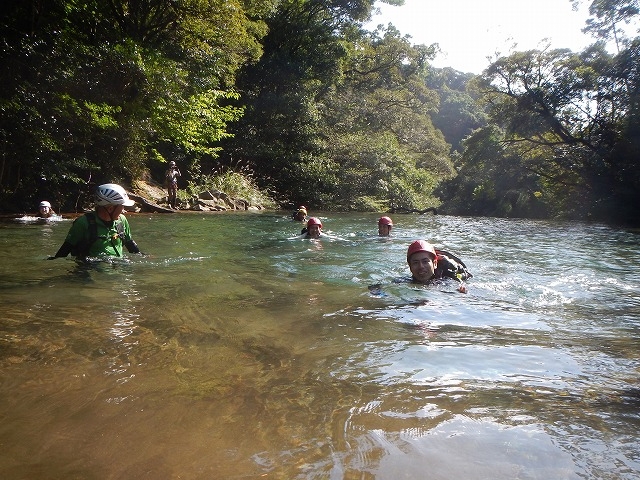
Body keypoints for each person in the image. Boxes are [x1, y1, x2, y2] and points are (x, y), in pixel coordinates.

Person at [50, 183, 142, 261]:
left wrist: (143, 256)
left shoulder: (122, 220)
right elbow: (65, 250)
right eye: (122, 207)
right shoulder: (83, 223)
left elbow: (129, 243)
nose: (123, 210)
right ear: (110, 209)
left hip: (117, 267)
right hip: (89, 270)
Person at [406, 240, 471, 293]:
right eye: (415, 263)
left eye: (425, 261)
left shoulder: (449, 278)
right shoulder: (404, 282)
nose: (421, 266)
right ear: (410, 266)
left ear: (434, 263)